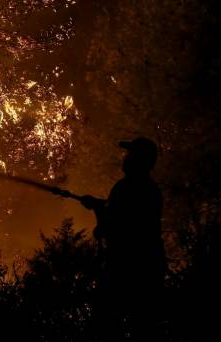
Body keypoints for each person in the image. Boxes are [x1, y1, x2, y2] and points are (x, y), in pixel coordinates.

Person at [79, 137, 166, 339]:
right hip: (149, 268)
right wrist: (100, 206)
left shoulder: (126, 187)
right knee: (145, 327)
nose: (125, 158)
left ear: (139, 160)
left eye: (130, 154)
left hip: (125, 269)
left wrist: (99, 211)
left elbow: (110, 229)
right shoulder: (150, 188)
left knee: (107, 325)